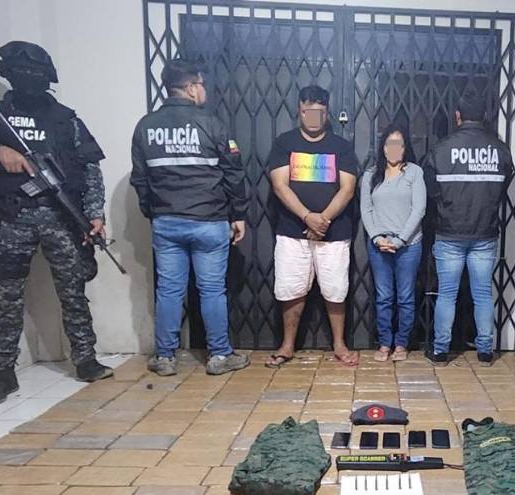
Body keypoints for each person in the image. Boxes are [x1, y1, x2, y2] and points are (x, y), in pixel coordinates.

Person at [0, 41, 113, 406]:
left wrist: (95, 213)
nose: (30, 78)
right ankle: (3, 371)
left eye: (36, 72)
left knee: (73, 290)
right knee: (6, 297)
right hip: (12, 216)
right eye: (22, 71)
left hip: (62, 217)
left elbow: (89, 169)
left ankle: (85, 358)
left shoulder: (66, 119)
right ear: (8, 73)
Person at [131, 59, 250, 377]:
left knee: (169, 290)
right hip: (208, 219)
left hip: (166, 220)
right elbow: (233, 173)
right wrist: (238, 214)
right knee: (212, 290)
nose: (204, 91)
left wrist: (153, 212)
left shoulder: (146, 127)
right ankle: (220, 355)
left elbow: (140, 178)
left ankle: (165, 357)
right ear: (192, 87)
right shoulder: (211, 124)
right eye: (202, 85)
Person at [265, 85, 359, 368]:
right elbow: (279, 185)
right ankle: (287, 345)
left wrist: (322, 220)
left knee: (335, 290)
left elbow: (348, 188)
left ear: (327, 113)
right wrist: (307, 217)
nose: (313, 116)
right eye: (308, 111)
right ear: (300, 110)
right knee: (290, 288)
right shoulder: (284, 143)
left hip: (334, 233)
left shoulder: (341, 147)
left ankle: (339, 345)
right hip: (293, 232)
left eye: (319, 111)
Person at [423, 96, 514, 367]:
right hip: (485, 233)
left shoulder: (441, 150)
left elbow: (431, 190)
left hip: (449, 231)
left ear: (457, 116)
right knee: (483, 293)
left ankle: (441, 350)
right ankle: (485, 351)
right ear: (484, 116)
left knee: (447, 294)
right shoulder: (500, 150)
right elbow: (503, 188)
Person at [360, 124, 426, 362]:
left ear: (405, 148)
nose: (394, 149)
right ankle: (384, 343)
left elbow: (419, 209)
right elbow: (366, 210)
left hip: (408, 245)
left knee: (405, 297)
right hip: (379, 244)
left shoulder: (414, 172)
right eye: (390, 144)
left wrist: (400, 240)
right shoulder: (371, 175)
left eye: (399, 144)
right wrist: (377, 238)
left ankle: (401, 343)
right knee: (384, 296)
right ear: (383, 147)